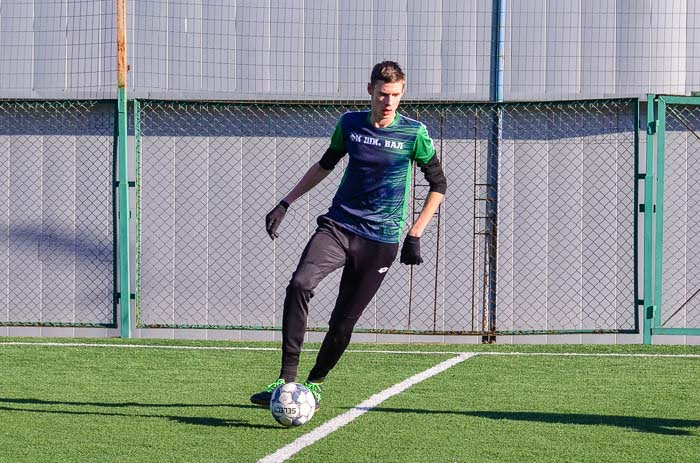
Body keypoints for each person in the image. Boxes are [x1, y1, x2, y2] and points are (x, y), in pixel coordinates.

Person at [250, 61, 447, 409]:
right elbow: (326, 164)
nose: (389, 102)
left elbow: (439, 184)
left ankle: (315, 383)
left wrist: (415, 233)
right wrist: (286, 202)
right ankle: (286, 380)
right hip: (338, 226)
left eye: (396, 95)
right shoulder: (350, 124)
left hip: (381, 239)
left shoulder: (414, 134)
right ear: (369, 89)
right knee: (300, 283)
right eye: (384, 94)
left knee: (342, 322)